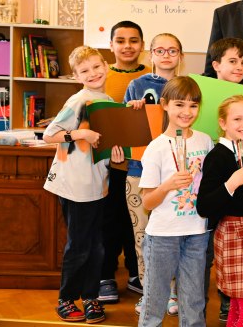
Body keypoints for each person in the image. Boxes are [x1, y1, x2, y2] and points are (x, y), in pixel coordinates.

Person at [43, 46, 124, 324]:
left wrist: (115, 152)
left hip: (97, 184)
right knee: (79, 245)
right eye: (85, 70)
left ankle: (91, 298)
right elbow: (49, 135)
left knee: (96, 245)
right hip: (75, 185)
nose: (93, 73)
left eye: (96, 66)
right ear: (77, 76)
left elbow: (105, 141)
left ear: (106, 65)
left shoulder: (108, 99)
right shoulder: (79, 101)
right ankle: (66, 299)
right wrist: (81, 133)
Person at [138, 76, 214, 327]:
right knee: (154, 301)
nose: (187, 111)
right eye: (180, 104)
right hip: (162, 236)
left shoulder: (204, 141)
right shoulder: (156, 148)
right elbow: (148, 201)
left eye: (193, 105)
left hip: (196, 232)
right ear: (165, 104)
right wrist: (168, 185)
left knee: (193, 302)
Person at [123, 33, 184, 316]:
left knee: (174, 236)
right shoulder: (137, 85)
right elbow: (123, 125)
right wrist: (132, 112)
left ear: (180, 55)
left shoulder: (187, 87)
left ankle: (172, 292)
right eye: (160, 50)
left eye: (173, 50)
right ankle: (150, 292)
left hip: (176, 174)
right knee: (143, 236)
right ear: (150, 54)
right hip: (140, 172)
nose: (166, 55)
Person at [197, 96, 243, 327]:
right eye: (237, 118)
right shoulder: (217, 156)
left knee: (239, 304)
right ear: (223, 123)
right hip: (232, 233)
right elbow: (204, 206)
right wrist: (231, 184)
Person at [101, 20, 150, 304]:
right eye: (120, 40)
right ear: (111, 45)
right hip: (109, 164)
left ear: (142, 46)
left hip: (141, 166)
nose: (127, 46)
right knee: (111, 220)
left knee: (139, 221)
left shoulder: (152, 77)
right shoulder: (101, 74)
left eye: (134, 40)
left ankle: (136, 272)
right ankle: (107, 274)